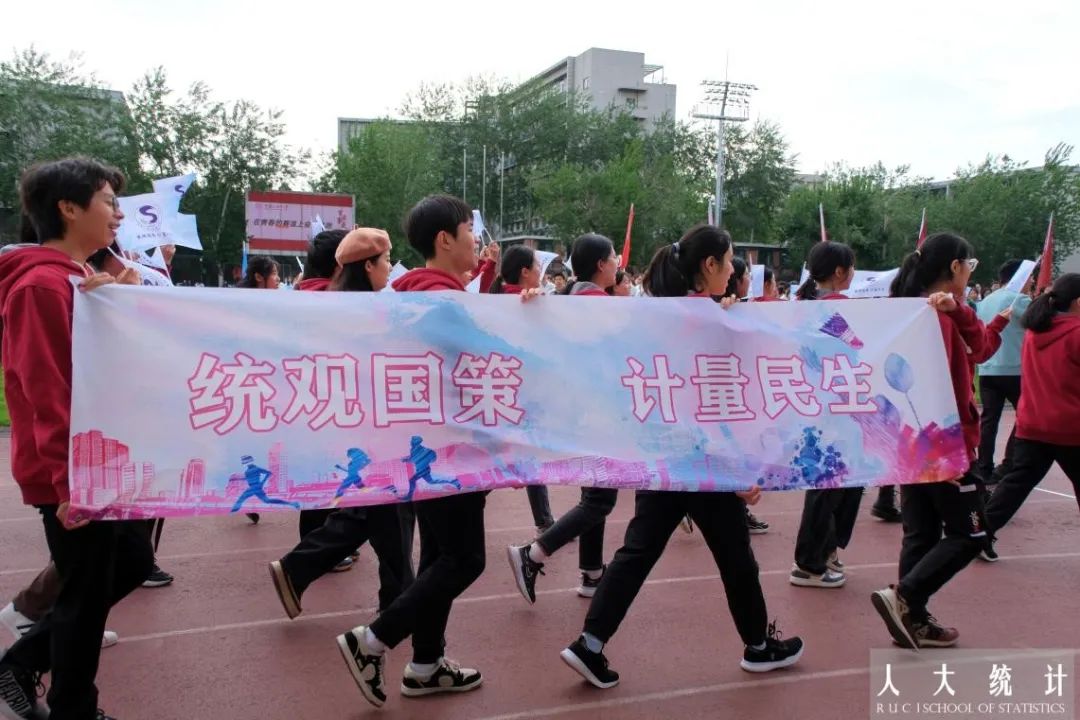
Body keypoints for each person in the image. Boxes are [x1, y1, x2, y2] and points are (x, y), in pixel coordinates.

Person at [560, 224, 803, 689]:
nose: (733, 271)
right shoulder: (714, 323)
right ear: (708, 265)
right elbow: (723, 405)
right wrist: (742, 470)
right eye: (728, 261)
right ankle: (758, 646)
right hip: (706, 462)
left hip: (663, 457)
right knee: (736, 558)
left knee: (637, 553)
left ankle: (589, 643)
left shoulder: (657, 316)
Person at [0, 157, 155, 720]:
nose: (118, 214)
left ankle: (23, 662)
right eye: (108, 201)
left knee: (129, 562)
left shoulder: (82, 281)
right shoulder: (40, 287)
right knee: (85, 596)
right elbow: (49, 392)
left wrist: (119, 306)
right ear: (68, 208)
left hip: (100, 460)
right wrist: (71, 484)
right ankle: (71, 706)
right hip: (70, 470)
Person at [335, 195, 487, 708]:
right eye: (469, 230)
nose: (475, 240)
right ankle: (373, 640)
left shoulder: (408, 294)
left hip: (421, 450)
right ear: (445, 239)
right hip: (451, 450)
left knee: (441, 557)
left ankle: (426, 664)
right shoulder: (442, 302)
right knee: (465, 559)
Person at [871, 232, 1009, 650]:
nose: (970, 273)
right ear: (954, 266)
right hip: (944, 448)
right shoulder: (941, 320)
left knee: (921, 534)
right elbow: (970, 360)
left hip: (912, 445)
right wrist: (946, 453)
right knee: (972, 534)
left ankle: (912, 619)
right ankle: (906, 596)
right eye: (970, 265)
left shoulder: (907, 313)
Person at [269, 227, 411, 622]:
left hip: (356, 433)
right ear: (367, 266)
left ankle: (303, 570)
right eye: (386, 260)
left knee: (377, 513)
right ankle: (395, 607)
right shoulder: (363, 315)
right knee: (386, 511)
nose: (390, 268)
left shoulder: (335, 307)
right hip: (370, 435)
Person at [506, 234, 621, 605]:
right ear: (601, 264)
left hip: (578, 412)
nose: (618, 262)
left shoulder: (569, 298)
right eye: (614, 257)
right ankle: (534, 553)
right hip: (597, 412)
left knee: (595, 493)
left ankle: (592, 572)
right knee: (600, 500)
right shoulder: (596, 304)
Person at [981, 274, 1080, 559]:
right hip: (1070, 427)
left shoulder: (1036, 332)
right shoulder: (1075, 333)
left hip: (1033, 424)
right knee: (1015, 484)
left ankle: (979, 534)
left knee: (1014, 486)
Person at [790, 241, 866, 588]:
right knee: (830, 484)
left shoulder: (803, 307)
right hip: (833, 409)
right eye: (851, 267)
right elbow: (858, 347)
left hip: (824, 406)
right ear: (839, 272)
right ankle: (810, 563)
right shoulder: (833, 311)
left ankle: (824, 550)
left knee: (839, 482)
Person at [489, 245, 556, 534]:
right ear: (525, 272)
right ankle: (544, 522)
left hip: (503, 393)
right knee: (508, 456)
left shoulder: (498, 300)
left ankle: (545, 521)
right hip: (513, 394)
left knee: (517, 456)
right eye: (537, 267)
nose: (541, 273)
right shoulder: (515, 304)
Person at [974, 260, 1031, 487]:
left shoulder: (986, 300)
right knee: (1025, 417)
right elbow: (1040, 323)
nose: (1032, 281)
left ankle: (984, 467)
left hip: (988, 368)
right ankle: (1008, 464)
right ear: (1020, 277)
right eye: (1030, 276)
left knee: (989, 420)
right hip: (1014, 369)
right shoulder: (1020, 300)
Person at [237, 255, 282, 525]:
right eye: (274, 274)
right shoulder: (240, 304)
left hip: (265, 382)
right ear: (258, 277)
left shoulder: (274, 303)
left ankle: (250, 492)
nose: (278, 280)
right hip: (246, 382)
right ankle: (247, 491)